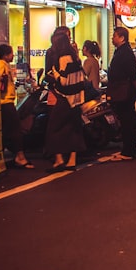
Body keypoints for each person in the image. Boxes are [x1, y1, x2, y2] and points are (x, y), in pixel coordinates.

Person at [43, 28, 86, 171]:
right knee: (74, 127)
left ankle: (59, 159)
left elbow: (63, 80)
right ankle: (72, 160)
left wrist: (54, 75)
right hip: (77, 98)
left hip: (64, 97)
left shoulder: (61, 57)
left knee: (54, 127)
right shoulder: (75, 56)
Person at [104, 25, 136, 161]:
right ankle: (128, 150)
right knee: (125, 121)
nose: (112, 38)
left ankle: (128, 151)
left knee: (127, 121)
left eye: (114, 36)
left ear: (122, 38)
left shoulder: (125, 53)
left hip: (125, 92)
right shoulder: (121, 51)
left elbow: (132, 74)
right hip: (122, 90)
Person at [0, 43, 32, 169]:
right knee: (15, 129)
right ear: (6, 55)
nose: (13, 56)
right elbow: (1, 81)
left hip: (1, 102)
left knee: (4, 130)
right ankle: (20, 156)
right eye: (11, 53)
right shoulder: (3, 65)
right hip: (6, 102)